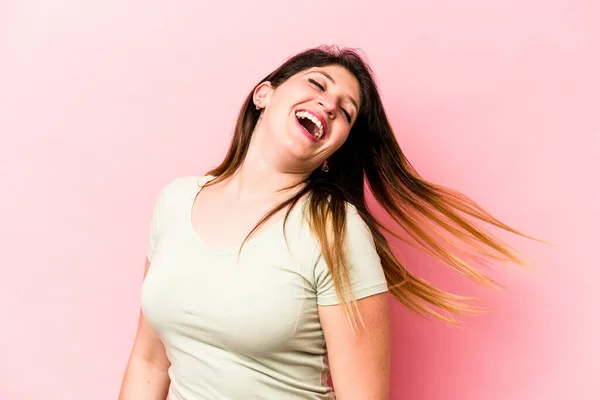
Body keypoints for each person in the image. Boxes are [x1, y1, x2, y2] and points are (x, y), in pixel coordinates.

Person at [118, 45, 538, 400]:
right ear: (264, 94)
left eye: (346, 111)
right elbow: (149, 360)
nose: (329, 105)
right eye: (317, 85)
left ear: (334, 148)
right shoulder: (175, 201)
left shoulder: (335, 229)